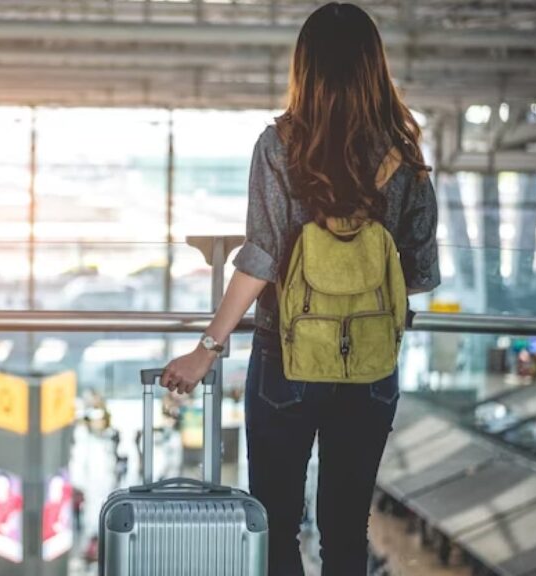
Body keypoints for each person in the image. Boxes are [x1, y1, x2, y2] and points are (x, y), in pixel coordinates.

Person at [160, 4, 439, 575]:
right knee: (345, 535)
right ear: (373, 66)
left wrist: (205, 350)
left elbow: (259, 258)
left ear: (305, 67)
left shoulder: (280, 145)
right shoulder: (405, 156)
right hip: (369, 365)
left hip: (286, 357)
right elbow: (418, 272)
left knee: (276, 526)